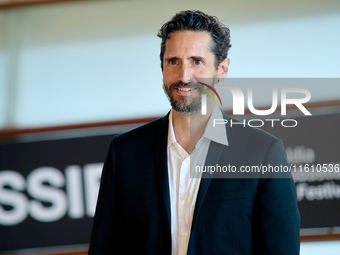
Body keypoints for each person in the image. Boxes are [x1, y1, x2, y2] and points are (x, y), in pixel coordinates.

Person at [88, 10, 300, 255]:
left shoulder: (262, 152)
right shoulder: (124, 152)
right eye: (173, 61)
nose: (184, 76)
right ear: (162, 67)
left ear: (222, 68)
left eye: (196, 61)